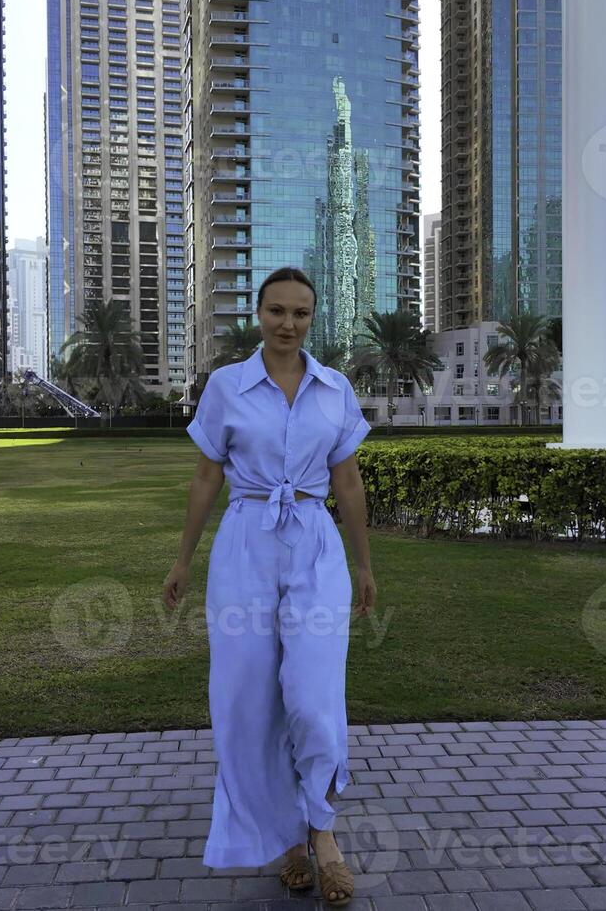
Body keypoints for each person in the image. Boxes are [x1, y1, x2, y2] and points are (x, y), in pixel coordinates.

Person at [163, 266, 376, 907]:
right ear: (258, 314)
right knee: (250, 701)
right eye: (277, 310)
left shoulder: (335, 390)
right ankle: (286, 839)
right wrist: (183, 561)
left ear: (314, 318)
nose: (288, 323)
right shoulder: (227, 387)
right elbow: (206, 479)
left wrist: (365, 565)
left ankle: (323, 829)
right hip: (245, 545)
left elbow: (349, 484)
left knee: (313, 698)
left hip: (314, 545)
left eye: (301, 313)